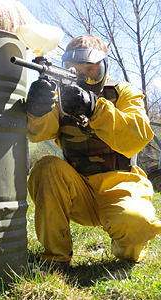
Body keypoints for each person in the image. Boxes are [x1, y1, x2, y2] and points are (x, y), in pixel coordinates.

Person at [26, 34, 161, 269]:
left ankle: (124, 248)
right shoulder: (58, 100)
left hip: (122, 186)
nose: (84, 76)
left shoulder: (123, 93)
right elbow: (37, 134)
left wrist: (95, 108)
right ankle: (56, 259)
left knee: (137, 224)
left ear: (104, 67)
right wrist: (37, 109)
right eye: (75, 70)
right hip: (78, 190)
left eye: (91, 69)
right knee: (46, 168)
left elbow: (138, 136)